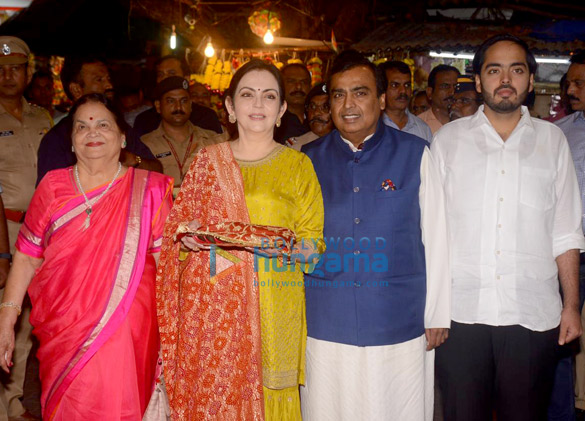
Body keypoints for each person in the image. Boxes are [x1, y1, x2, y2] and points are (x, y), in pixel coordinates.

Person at [157, 59, 325, 420]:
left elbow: (313, 243)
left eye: (269, 96)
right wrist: (188, 244)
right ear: (230, 107)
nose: (258, 104)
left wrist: (292, 250)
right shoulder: (207, 162)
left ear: (281, 109)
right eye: (247, 95)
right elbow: (177, 235)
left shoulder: (298, 166)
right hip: (215, 311)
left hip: (276, 302)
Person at [431, 34, 585, 421]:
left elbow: (566, 229)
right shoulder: (448, 142)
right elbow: (431, 233)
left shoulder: (553, 142)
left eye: (516, 70)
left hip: (532, 315)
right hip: (461, 315)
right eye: (493, 69)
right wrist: (432, 309)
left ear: (530, 81)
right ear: (479, 81)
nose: (505, 79)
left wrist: (571, 306)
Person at [0, 93, 173, 420]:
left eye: (103, 125)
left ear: (123, 138)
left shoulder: (149, 191)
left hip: (127, 330)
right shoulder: (52, 187)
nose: (92, 132)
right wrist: (7, 320)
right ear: (72, 140)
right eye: (82, 126)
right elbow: (26, 257)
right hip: (62, 333)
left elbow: (166, 267)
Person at [300, 49, 450, 420]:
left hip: (399, 318)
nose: (348, 104)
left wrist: (438, 314)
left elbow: (438, 236)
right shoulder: (307, 160)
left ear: (381, 100)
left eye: (360, 92)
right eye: (338, 94)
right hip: (325, 319)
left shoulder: (416, 153)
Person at [0, 35, 52, 421]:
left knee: (32, 320)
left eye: (15, 68)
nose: (7, 76)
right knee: (5, 313)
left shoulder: (42, 117)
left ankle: (15, 398)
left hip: (44, 232)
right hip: (5, 229)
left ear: (28, 72)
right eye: (0, 70)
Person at [36, 56, 160, 184]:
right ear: (76, 90)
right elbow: (51, 193)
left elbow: (157, 171)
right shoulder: (56, 139)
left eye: (108, 79)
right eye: (99, 80)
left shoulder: (120, 128)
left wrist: (133, 160)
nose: (109, 86)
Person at [555, 50, 585, 418]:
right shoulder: (558, 134)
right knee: (561, 339)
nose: (570, 89)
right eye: (568, 83)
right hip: (568, 254)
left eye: (579, 83)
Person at [141, 76, 228, 196]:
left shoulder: (211, 139)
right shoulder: (145, 144)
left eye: (184, 101)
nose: (178, 107)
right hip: (161, 210)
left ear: (191, 105)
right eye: (171, 101)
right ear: (158, 106)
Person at [132, 55, 223, 138]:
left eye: (171, 73)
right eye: (160, 74)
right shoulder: (144, 120)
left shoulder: (205, 116)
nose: (165, 78)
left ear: (186, 78)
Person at [380, 60, 432, 142]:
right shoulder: (372, 127)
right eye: (395, 85)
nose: (403, 91)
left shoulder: (422, 129)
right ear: (382, 89)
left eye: (407, 85)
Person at [287, 82, 333, 150]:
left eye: (325, 107)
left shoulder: (350, 144)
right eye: (312, 107)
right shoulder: (295, 147)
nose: (316, 113)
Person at [274, 63, 311, 143]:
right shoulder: (272, 120)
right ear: (280, 86)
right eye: (291, 81)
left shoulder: (317, 118)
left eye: (304, 82)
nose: (298, 87)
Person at [418, 65, 459, 133]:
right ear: (430, 92)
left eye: (456, 86)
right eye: (445, 86)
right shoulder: (418, 125)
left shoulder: (469, 123)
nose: (452, 92)